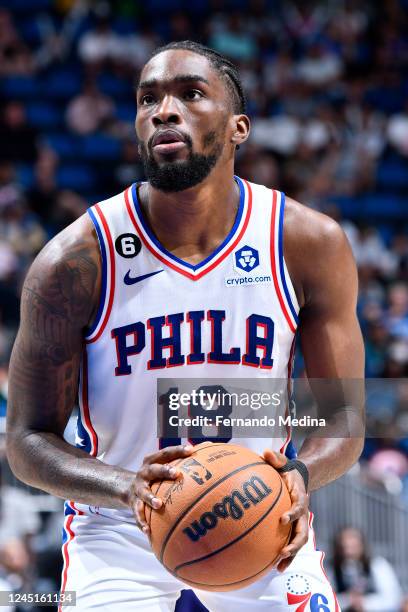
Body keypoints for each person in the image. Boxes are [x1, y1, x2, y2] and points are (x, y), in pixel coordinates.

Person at [6, 41, 365, 611]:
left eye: (190, 94)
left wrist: (297, 474)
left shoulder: (305, 244)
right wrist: (125, 487)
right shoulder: (76, 261)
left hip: (262, 523)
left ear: (239, 127)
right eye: (148, 99)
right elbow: (25, 440)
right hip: (121, 530)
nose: (164, 111)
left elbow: (341, 416)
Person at [330, 527, 403, 612]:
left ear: (362, 546)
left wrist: (364, 603)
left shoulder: (378, 565)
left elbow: (393, 598)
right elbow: (323, 599)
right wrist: (347, 600)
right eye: (343, 547)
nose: (348, 552)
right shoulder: (331, 570)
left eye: (353, 547)